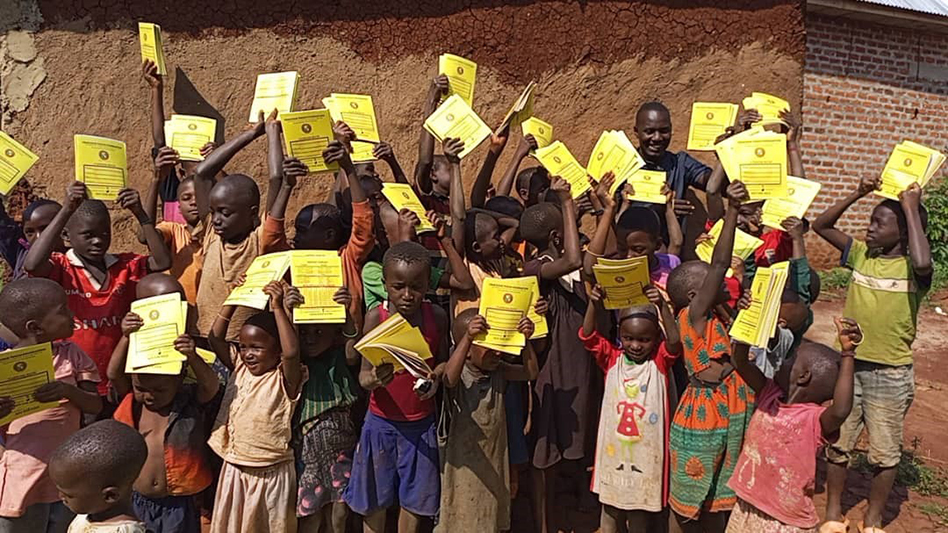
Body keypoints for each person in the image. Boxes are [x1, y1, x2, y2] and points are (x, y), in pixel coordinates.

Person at [813, 177, 931, 533]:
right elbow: (821, 225)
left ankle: (873, 520)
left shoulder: (914, 270)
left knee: (885, 454)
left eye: (881, 222)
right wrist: (859, 192)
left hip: (891, 375)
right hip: (849, 368)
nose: (870, 226)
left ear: (905, 231)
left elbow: (924, 261)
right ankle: (833, 513)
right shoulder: (861, 256)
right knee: (839, 443)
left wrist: (910, 206)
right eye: (871, 219)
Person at [23, 182, 172, 403]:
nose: (98, 241)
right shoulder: (62, 268)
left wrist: (140, 213)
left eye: (104, 233)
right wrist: (67, 209)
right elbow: (33, 265)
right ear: (67, 235)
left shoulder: (125, 265)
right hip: (79, 381)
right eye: (88, 235)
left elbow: (162, 261)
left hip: (119, 376)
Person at [665, 181, 755, 532]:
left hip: (731, 409)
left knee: (721, 493)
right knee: (689, 498)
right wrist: (731, 211)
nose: (722, 278)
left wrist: (738, 308)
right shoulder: (693, 316)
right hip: (704, 413)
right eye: (710, 282)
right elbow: (718, 265)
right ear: (693, 295)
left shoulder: (717, 314)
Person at [344, 241, 449, 533]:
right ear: (385, 284)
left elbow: (442, 362)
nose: (407, 295)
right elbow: (363, 377)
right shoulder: (377, 318)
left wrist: (434, 380)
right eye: (398, 286)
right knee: (374, 504)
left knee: (414, 504)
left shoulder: (436, 318)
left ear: (428, 284)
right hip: (380, 425)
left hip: (420, 426)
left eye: (416, 287)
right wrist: (377, 378)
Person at [105, 274, 221, 533]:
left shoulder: (187, 401)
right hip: (136, 500)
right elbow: (113, 374)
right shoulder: (133, 405)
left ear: (179, 382)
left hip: (179, 504)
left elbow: (210, 386)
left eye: (159, 390)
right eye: (141, 389)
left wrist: (190, 354)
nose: (150, 395)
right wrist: (125, 337)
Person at [726, 318, 860, 533]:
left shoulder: (815, 420)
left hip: (784, 520)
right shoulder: (769, 394)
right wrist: (748, 320)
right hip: (748, 504)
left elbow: (842, 409)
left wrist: (848, 354)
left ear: (803, 376)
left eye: (789, 359)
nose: (781, 362)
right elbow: (739, 361)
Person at [519, 179, 593, 533]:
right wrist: (567, 203)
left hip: (575, 365)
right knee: (544, 453)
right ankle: (543, 524)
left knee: (575, 438)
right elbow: (574, 259)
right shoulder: (535, 267)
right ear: (555, 235)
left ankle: (576, 504)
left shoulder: (557, 261)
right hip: (552, 368)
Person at [0, 278, 102, 533]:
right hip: (23, 473)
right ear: (36, 327)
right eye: (63, 311)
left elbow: (94, 406)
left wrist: (68, 391)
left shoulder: (72, 355)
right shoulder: (4, 368)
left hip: (67, 473)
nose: (72, 315)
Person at [579, 283, 682, 532]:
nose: (635, 345)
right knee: (610, 509)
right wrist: (594, 303)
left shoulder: (659, 363)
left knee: (638, 510)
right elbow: (588, 335)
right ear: (620, 337)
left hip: (646, 455)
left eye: (644, 339)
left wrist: (661, 308)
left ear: (656, 339)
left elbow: (675, 343)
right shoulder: (612, 359)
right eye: (628, 338)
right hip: (612, 453)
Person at [205, 280, 304, 533]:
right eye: (244, 347)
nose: (248, 354)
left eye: (257, 348)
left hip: (270, 473)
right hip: (235, 469)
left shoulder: (285, 379)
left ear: (277, 351)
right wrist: (233, 299)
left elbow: (292, 353)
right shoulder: (240, 369)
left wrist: (278, 308)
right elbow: (214, 337)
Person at [436, 308, 539, 532]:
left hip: (494, 463)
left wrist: (526, 341)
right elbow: (449, 379)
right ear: (467, 349)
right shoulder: (458, 371)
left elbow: (531, 373)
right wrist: (468, 337)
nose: (497, 353)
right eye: (487, 346)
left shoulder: (499, 371)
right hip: (464, 468)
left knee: (490, 518)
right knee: (460, 518)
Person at [191, 110, 290, 340]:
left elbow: (276, 178)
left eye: (225, 213)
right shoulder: (211, 234)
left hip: (243, 349)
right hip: (204, 340)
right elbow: (202, 173)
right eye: (214, 211)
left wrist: (273, 132)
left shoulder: (260, 240)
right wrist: (251, 134)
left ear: (252, 214)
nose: (216, 219)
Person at [284, 283, 359, 533]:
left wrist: (345, 312)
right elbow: (291, 350)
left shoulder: (339, 357)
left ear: (334, 332)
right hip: (308, 453)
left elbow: (352, 352)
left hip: (342, 449)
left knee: (338, 515)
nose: (311, 338)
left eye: (319, 331)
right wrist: (289, 315)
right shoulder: (297, 364)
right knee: (310, 515)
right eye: (304, 332)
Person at [48, 420, 148, 533]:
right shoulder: (88, 513)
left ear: (110, 495)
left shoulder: (124, 531)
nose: (60, 496)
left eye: (69, 495)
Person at [143, 147, 206, 305]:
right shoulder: (173, 230)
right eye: (186, 198)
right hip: (179, 313)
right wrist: (156, 180)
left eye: (200, 196)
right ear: (178, 206)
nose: (193, 202)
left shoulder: (217, 233)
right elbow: (145, 236)